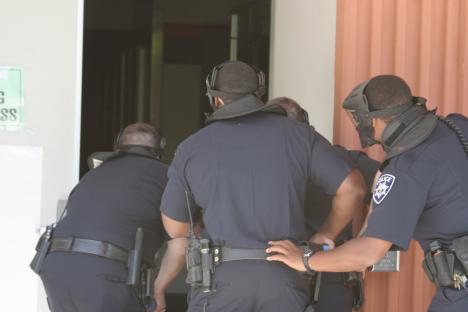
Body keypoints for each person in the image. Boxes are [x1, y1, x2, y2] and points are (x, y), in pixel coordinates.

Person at [158, 60, 366, 312]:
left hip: (220, 281)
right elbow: (353, 188)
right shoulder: (299, 136)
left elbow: (177, 228)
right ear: (259, 94)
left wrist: (201, 226)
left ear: (216, 100)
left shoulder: (191, 148)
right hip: (284, 278)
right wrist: (326, 234)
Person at [266, 75, 468, 312]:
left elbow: (368, 252)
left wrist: (305, 260)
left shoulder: (405, 169)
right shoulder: (456, 125)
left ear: (373, 120)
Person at [35, 123, 168, 312]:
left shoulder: (94, 174)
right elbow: (180, 241)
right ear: (159, 149)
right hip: (105, 273)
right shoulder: (165, 175)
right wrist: (159, 289)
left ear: (117, 146)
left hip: (56, 267)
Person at [268, 97, 380, 312]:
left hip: (281, 276)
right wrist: (365, 241)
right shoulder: (344, 161)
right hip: (331, 271)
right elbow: (391, 188)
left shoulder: (255, 169)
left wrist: (365, 244)